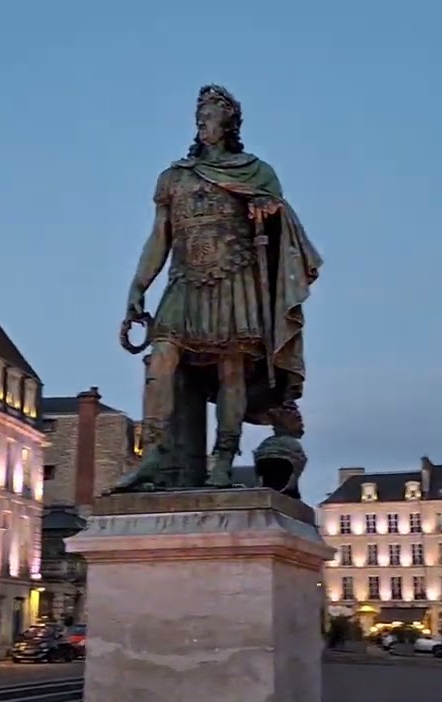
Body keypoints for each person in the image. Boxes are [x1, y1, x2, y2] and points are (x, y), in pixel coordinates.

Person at [118, 85, 322, 490]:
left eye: (210, 115)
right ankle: (154, 454)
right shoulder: (174, 177)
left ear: (229, 124)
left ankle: (223, 460)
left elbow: (282, 226)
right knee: (161, 358)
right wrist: (138, 286)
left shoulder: (257, 172)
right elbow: (159, 237)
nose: (202, 122)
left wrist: (268, 210)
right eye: (199, 116)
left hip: (234, 277)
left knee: (232, 368)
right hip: (184, 280)